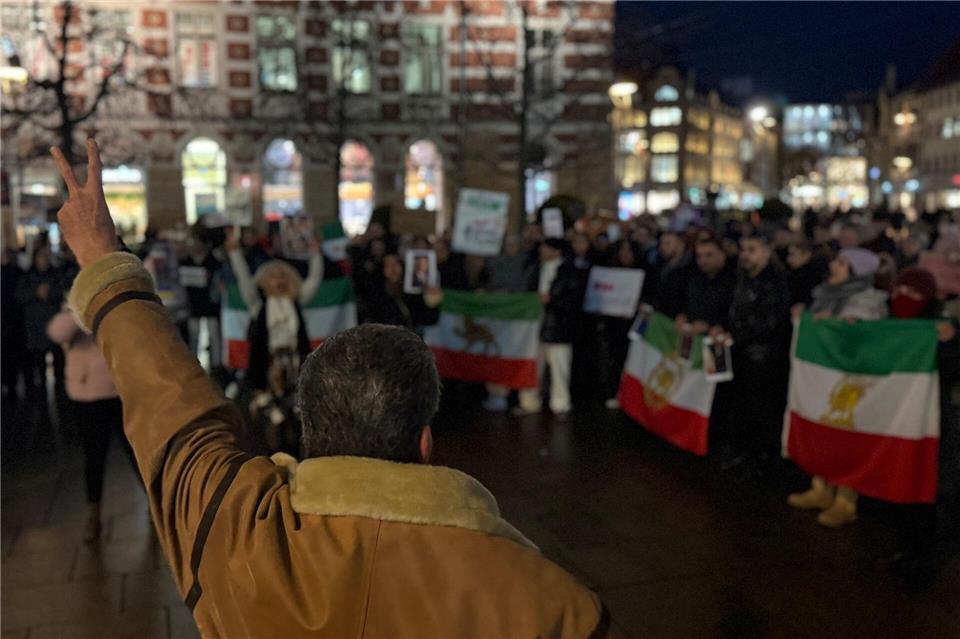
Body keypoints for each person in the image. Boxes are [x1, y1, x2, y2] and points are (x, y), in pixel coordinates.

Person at [51, 139, 610, 637]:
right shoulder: (551, 604)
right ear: (423, 442)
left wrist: (102, 259)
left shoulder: (237, 536)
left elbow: (174, 419)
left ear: (312, 429)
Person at [787, 247, 887, 527]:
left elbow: (864, 336)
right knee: (822, 429)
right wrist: (803, 319)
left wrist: (841, 326)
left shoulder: (868, 300)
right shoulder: (824, 293)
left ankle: (846, 500)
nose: (835, 266)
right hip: (825, 377)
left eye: (843, 263)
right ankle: (820, 488)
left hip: (849, 380)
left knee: (846, 436)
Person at [47, 303, 137, 542]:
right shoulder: (76, 307)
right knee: (94, 456)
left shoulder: (116, 303)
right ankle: (94, 514)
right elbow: (58, 332)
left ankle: (157, 505)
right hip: (87, 394)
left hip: (120, 389)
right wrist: (83, 310)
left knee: (137, 452)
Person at [713, 233, 791, 473]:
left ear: (766, 252)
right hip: (739, 353)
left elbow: (771, 321)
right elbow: (731, 308)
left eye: (752, 249)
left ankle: (762, 458)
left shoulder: (775, 282)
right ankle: (742, 450)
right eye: (743, 249)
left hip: (762, 357)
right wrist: (722, 327)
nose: (745, 255)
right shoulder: (741, 279)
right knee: (740, 404)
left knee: (761, 408)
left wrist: (737, 336)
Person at [517, 238, 581, 418]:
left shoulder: (568, 271)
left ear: (556, 251)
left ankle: (560, 404)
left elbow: (573, 300)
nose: (542, 252)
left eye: (546, 249)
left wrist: (552, 301)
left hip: (558, 328)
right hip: (534, 328)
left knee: (559, 368)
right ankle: (529, 402)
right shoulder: (535, 269)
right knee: (532, 367)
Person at [15, 245, 65, 403]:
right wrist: (35, 293)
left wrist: (50, 292)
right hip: (36, 328)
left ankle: (60, 394)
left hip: (54, 326)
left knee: (59, 365)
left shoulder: (56, 275)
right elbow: (19, 296)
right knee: (40, 366)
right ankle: (42, 397)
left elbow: (63, 292)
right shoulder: (27, 277)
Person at [786, 237, 829, 308]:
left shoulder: (813, 277)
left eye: (792, 255)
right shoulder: (795, 274)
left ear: (806, 255)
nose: (788, 259)